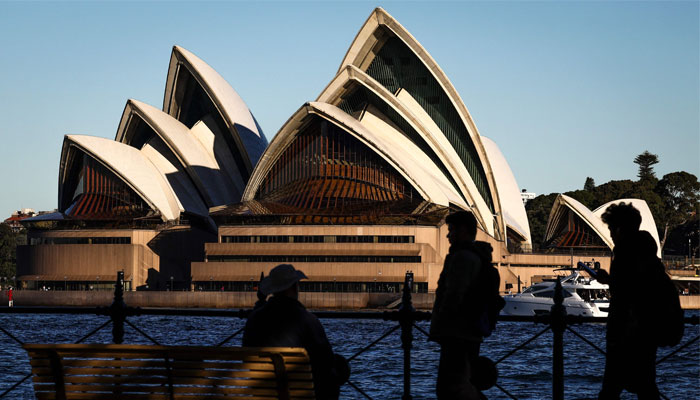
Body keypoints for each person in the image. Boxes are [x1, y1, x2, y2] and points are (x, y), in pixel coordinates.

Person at [243, 264, 349, 399]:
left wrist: (260, 301)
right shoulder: (307, 319)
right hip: (300, 394)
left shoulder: (254, 319)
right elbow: (325, 360)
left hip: (263, 393)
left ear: (273, 290)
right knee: (338, 366)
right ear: (294, 287)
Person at [429, 211, 499, 399]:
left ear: (464, 231)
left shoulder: (463, 258)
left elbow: (454, 294)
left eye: (451, 230)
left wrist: (441, 324)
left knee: (452, 387)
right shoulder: (475, 256)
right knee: (461, 383)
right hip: (469, 331)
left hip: (457, 333)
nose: (448, 235)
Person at [596, 203, 660, 399]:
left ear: (620, 228)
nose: (611, 235)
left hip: (625, 331)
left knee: (611, 389)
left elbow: (627, 290)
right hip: (647, 330)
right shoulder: (649, 253)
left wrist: (608, 280)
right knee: (646, 385)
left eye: (611, 229)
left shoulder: (624, 253)